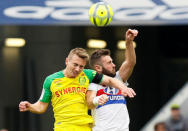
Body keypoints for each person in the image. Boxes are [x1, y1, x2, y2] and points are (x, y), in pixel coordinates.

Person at [19, 48, 136, 131]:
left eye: (81, 66)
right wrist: (30, 106)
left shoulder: (87, 75)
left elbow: (110, 80)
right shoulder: (51, 80)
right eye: (75, 64)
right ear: (66, 61)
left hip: (85, 127)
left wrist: (123, 87)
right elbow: (41, 106)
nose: (78, 69)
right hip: (64, 127)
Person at [86, 29, 138, 131]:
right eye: (109, 63)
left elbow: (130, 62)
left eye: (112, 62)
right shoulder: (93, 83)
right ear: (98, 68)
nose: (114, 65)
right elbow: (89, 103)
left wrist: (129, 42)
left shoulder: (119, 78)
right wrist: (97, 100)